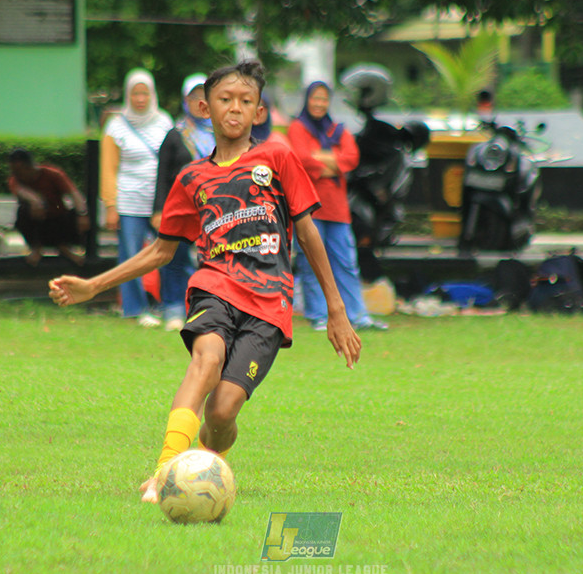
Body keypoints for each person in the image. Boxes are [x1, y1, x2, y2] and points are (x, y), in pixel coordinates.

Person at [49, 60, 362, 503]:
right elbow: (160, 251)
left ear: (258, 112)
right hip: (214, 287)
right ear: (204, 107)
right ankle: (166, 470)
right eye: (225, 99)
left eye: (246, 101)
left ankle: (208, 463)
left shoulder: (277, 158)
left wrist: (336, 309)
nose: (235, 108)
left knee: (222, 411)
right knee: (206, 359)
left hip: (270, 302)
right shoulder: (192, 177)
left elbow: (309, 234)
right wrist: (95, 285)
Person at [288, 81, 387, 331]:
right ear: (307, 100)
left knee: (346, 262)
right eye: (315, 98)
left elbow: (352, 158)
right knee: (312, 262)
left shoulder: (337, 129)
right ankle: (319, 315)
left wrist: (320, 158)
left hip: (337, 208)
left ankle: (357, 315)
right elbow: (301, 158)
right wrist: (332, 161)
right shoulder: (298, 127)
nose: (319, 104)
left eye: (324, 99)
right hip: (309, 208)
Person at [100, 68, 173, 326]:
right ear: (127, 95)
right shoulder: (115, 126)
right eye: (135, 94)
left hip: (160, 203)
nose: (140, 99)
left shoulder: (164, 122)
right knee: (130, 257)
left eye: (145, 93)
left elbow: (172, 162)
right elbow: (108, 169)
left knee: (167, 254)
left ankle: (170, 306)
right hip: (128, 203)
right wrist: (111, 205)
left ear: (152, 94)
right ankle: (135, 309)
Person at [153, 74, 213, 332]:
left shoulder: (222, 133)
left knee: (209, 261)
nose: (199, 102)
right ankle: (174, 309)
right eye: (193, 97)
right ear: (184, 100)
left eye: (204, 96)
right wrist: (158, 210)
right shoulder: (175, 135)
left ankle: (205, 310)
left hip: (214, 209)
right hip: (180, 208)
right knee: (174, 259)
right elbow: (162, 176)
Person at [6, 148, 90, 267]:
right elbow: (26, 195)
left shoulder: (52, 174)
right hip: (38, 223)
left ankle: (64, 248)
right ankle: (36, 248)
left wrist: (82, 214)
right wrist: (36, 203)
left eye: (20, 170)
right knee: (23, 212)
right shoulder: (15, 180)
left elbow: (74, 194)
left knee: (74, 216)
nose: (17, 174)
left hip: (58, 219)